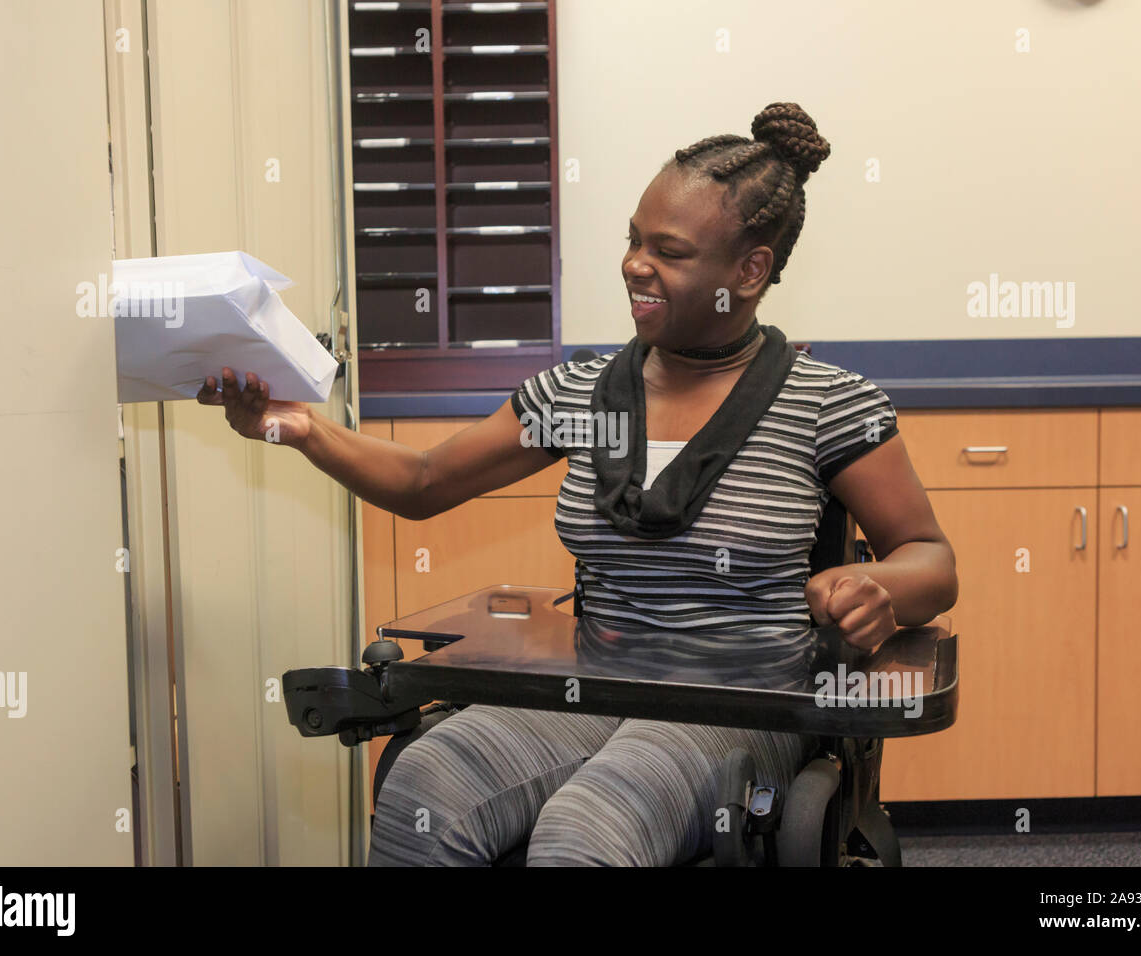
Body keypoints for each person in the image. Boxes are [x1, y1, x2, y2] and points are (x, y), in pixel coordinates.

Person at [198, 102, 958, 866]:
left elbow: (930, 558)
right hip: (592, 688)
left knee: (585, 827)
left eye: (670, 250)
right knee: (423, 782)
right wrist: (302, 428)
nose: (634, 262)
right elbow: (425, 480)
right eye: (632, 238)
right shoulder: (579, 396)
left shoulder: (825, 403)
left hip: (743, 704)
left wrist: (882, 589)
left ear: (749, 271)